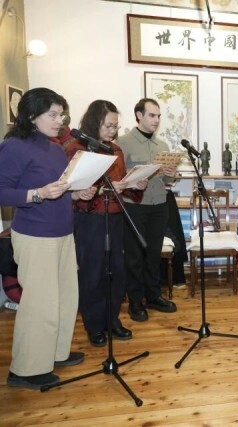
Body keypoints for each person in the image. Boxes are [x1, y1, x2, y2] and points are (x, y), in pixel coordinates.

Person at [0, 87, 96, 389]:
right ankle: (25, 370)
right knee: (40, 303)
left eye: (61, 115)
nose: (60, 120)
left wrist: (76, 193)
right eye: (52, 115)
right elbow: (3, 191)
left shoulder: (55, 149)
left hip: (63, 233)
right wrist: (37, 194)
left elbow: (60, 189)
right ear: (31, 115)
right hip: (35, 235)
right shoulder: (14, 146)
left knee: (66, 298)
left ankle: (54, 353)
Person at [65, 100, 147, 347]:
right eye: (108, 126)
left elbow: (122, 185)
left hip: (116, 216)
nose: (113, 131)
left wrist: (134, 185)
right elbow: (71, 189)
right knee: (93, 273)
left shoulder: (116, 151)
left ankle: (112, 320)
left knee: (116, 273)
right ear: (94, 122)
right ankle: (94, 325)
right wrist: (98, 191)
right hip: (90, 220)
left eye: (115, 126)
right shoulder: (76, 149)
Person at [119, 98, 177, 322]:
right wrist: (133, 182)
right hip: (134, 206)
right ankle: (135, 302)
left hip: (159, 205)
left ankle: (153, 296)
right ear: (139, 115)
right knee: (134, 256)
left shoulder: (163, 145)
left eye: (158, 116)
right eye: (152, 115)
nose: (156, 120)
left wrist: (171, 173)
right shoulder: (122, 143)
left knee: (153, 254)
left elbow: (167, 180)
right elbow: (117, 178)